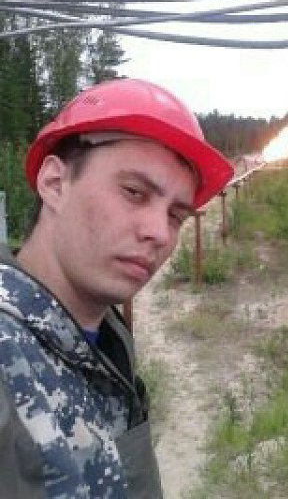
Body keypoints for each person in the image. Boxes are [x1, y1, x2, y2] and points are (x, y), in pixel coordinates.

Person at [0, 78, 233, 498]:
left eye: (176, 215)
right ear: (54, 183)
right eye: (134, 193)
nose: (159, 233)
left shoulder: (106, 340)